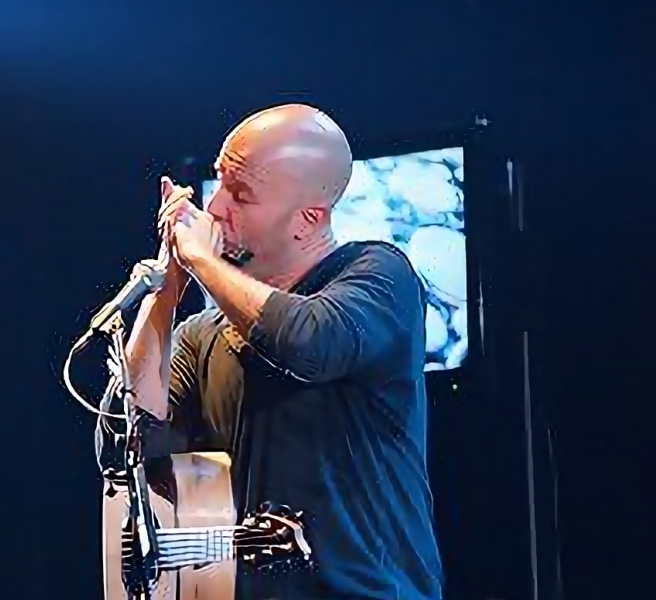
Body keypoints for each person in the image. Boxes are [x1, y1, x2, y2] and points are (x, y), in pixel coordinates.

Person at [120, 103, 444, 600]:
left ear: (307, 219)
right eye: (219, 183)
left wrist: (202, 259)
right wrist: (166, 291)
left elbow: (308, 342)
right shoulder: (203, 334)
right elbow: (135, 439)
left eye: (241, 194)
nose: (215, 208)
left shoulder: (378, 276)